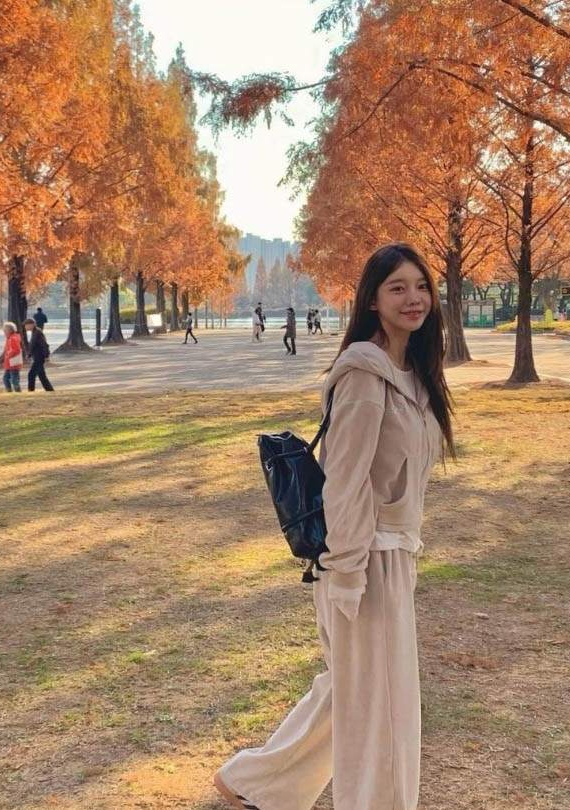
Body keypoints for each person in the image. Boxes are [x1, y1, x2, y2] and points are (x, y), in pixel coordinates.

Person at [214, 242, 456, 810]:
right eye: (398, 287)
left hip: (395, 553)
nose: (414, 298)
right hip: (362, 559)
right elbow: (343, 482)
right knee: (381, 709)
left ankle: (256, 782)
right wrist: (348, 572)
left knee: (357, 688)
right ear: (372, 300)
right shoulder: (365, 377)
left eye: (421, 285)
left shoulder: (414, 375)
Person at [24, 318, 54, 391]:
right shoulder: (34, 332)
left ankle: (31, 390)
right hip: (36, 356)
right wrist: (29, 354)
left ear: (32, 324)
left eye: (26, 325)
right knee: (42, 376)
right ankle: (50, 390)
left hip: (39, 357)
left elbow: (44, 344)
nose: (25, 327)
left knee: (31, 375)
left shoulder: (38, 332)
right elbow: (33, 345)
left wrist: (46, 355)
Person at [1, 322, 23, 392]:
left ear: (9, 331)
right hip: (10, 363)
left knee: (14, 380)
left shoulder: (12, 338)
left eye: (5, 330)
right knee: (6, 378)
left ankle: (17, 391)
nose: (4, 332)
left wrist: (8, 355)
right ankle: (10, 391)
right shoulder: (10, 338)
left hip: (13, 363)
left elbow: (16, 350)